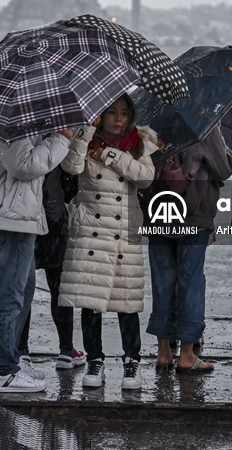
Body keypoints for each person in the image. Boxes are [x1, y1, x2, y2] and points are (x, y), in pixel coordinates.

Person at [58, 94, 157, 391]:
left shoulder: (140, 141)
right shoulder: (85, 139)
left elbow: (146, 178)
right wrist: (86, 131)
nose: (117, 118)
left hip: (124, 232)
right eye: (111, 112)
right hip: (91, 231)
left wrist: (110, 156)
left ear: (131, 115)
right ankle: (95, 360)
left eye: (124, 113)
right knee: (91, 302)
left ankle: (132, 362)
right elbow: (71, 167)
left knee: (127, 304)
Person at [0, 126, 72, 393]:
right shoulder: (9, 117)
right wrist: (61, 139)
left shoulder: (12, 112)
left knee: (23, 288)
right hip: (10, 215)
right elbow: (23, 165)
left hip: (16, 212)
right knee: (10, 294)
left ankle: (11, 359)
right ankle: (4, 371)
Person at [146, 123, 232, 373]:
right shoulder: (203, 123)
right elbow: (224, 168)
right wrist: (226, 152)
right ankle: (186, 354)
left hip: (158, 211)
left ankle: (163, 352)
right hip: (193, 214)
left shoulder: (151, 123)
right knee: (190, 280)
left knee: (162, 281)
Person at [16, 166, 87, 370]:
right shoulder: (56, 137)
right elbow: (71, 183)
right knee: (59, 288)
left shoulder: (19, 137)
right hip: (53, 216)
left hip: (23, 216)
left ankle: (21, 350)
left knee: (22, 286)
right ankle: (66, 350)